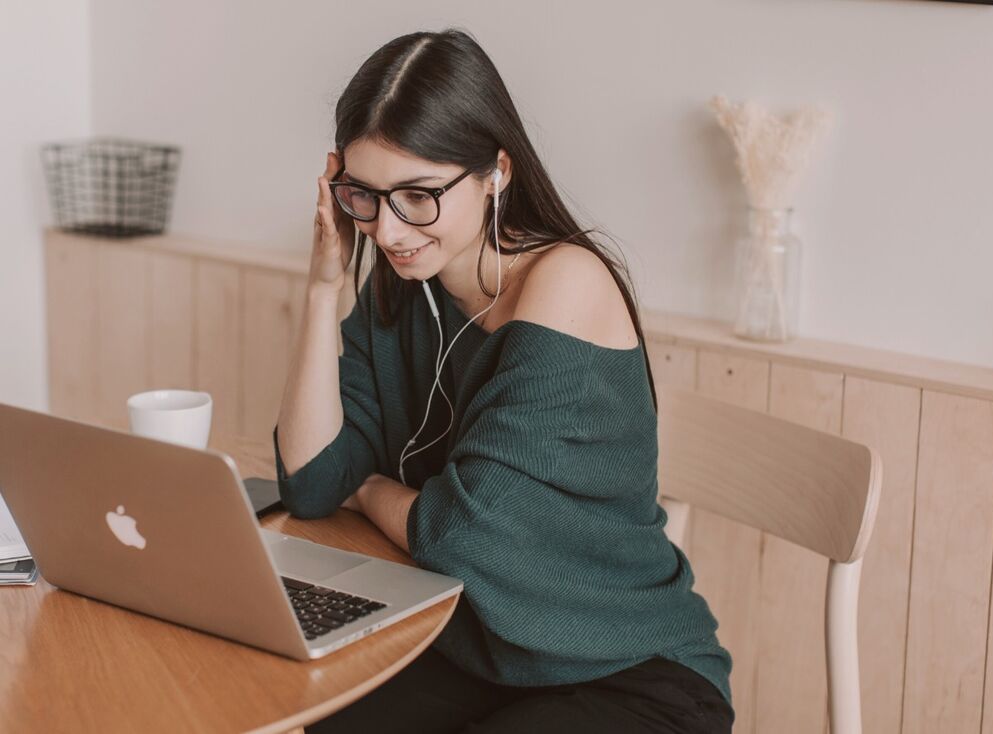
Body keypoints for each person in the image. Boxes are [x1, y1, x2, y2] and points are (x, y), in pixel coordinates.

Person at [274, 27, 735, 734]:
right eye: (363, 197)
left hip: (631, 670)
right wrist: (320, 286)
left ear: (496, 172)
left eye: (419, 196)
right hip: (478, 653)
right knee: (308, 714)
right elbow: (309, 484)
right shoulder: (405, 283)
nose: (391, 231)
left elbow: (460, 531)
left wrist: (366, 488)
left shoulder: (566, 282)